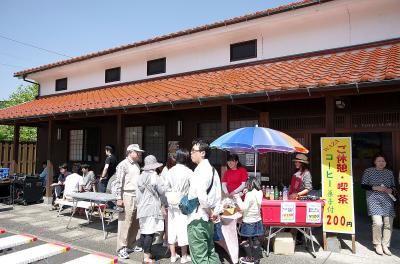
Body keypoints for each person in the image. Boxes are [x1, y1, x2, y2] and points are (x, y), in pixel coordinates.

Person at [187, 139, 221, 264]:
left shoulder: (199, 170)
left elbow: (202, 197)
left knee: (199, 257)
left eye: (193, 151)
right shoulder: (213, 170)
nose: (191, 153)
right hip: (209, 221)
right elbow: (218, 196)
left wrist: (210, 212)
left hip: (198, 218)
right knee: (210, 252)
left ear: (202, 153)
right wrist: (214, 212)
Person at [361, 153, 396, 256]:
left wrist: (391, 190)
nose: (381, 163)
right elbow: (363, 185)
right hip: (373, 199)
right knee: (378, 223)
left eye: (383, 161)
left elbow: (393, 186)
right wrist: (375, 187)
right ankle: (377, 244)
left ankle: (385, 245)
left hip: (387, 200)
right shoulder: (368, 171)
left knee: (388, 223)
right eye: (379, 161)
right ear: (374, 162)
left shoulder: (389, 173)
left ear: (386, 163)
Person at [114, 144, 144, 259]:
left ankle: (131, 244)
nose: (139, 154)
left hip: (136, 195)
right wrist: (118, 198)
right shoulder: (123, 165)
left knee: (135, 222)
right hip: (126, 195)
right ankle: (121, 248)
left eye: (139, 152)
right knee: (125, 222)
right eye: (137, 152)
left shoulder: (136, 164)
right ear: (130, 152)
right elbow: (118, 182)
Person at [136, 155, 166, 263]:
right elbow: (162, 191)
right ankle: (146, 257)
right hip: (151, 207)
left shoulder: (140, 176)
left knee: (144, 231)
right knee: (150, 232)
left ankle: (146, 253)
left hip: (142, 207)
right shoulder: (154, 176)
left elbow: (138, 195)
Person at [165, 149, 193, 263]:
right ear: (186, 158)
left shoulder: (169, 171)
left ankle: (172, 255)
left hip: (171, 202)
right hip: (183, 203)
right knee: (183, 229)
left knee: (171, 228)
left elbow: (165, 187)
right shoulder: (189, 172)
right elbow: (193, 189)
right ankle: (184, 256)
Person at [234, 177, 264, 264]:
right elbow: (253, 200)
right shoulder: (260, 192)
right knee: (255, 239)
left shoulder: (249, 195)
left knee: (244, 238)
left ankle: (250, 258)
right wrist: (248, 191)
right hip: (257, 220)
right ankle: (256, 259)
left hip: (248, 221)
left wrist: (238, 198)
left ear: (250, 184)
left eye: (247, 185)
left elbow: (243, 207)